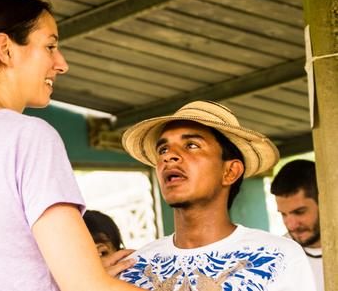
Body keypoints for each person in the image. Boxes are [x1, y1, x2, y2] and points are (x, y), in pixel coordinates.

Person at [0, 0, 147, 291]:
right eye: (50, 46)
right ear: (5, 49)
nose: (61, 64)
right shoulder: (28, 136)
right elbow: (88, 287)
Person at [118, 101, 316, 290]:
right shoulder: (133, 267)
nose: (168, 156)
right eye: (163, 149)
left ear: (230, 172)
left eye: (192, 145)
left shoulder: (277, 257)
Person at [271, 160, 323, 291]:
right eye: (283, 214)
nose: (291, 225)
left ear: (324, 203)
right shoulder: (276, 257)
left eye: (299, 212)